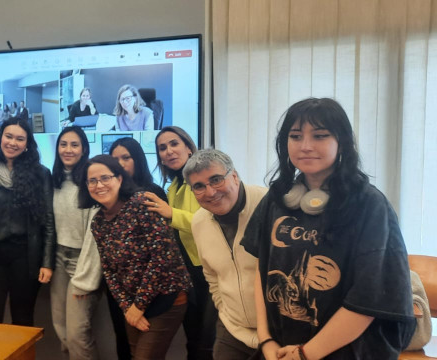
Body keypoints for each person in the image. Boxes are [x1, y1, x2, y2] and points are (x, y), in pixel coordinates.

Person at [242, 98, 416, 360]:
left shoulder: (369, 204)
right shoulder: (278, 198)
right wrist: (266, 339)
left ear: (341, 142)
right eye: (296, 136)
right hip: (281, 347)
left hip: (345, 350)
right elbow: (262, 268)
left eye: (320, 136)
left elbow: (369, 299)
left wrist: (305, 354)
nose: (306, 146)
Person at [79, 155, 191, 359]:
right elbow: (109, 271)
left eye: (105, 178)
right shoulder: (98, 222)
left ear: (119, 179)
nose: (99, 185)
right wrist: (128, 306)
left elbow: (162, 259)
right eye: (92, 181)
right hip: (133, 305)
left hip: (166, 299)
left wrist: (138, 306)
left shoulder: (141, 203)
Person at [0, 117, 55, 326]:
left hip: (26, 259)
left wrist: (47, 262)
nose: (12, 143)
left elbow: (48, 222)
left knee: (23, 320)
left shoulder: (40, 174)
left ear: (27, 144)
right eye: (8, 136)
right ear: (0, 138)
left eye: (20, 139)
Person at [186, 149, 268, 360]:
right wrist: (225, 309)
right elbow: (212, 275)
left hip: (278, 330)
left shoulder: (270, 206)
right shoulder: (199, 221)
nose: (211, 192)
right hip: (232, 328)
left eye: (216, 180)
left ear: (234, 176)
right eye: (199, 186)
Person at [146, 126, 216, 360]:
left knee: (207, 341)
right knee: (194, 337)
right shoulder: (174, 185)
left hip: (208, 271)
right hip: (188, 274)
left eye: (174, 144)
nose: (168, 151)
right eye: (162, 148)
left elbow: (209, 220)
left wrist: (170, 213)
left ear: (188, 147)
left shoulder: (203, 180)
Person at [49, 126, 100, 359]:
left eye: (74, 145)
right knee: (61, 327)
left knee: (77, 333)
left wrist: (85, 276)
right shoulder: (54, 182)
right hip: (58, 259)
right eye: (63, 144)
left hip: (83, 260)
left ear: (84, 149)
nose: (68, 150)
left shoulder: (92, 183)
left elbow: (94, 235)